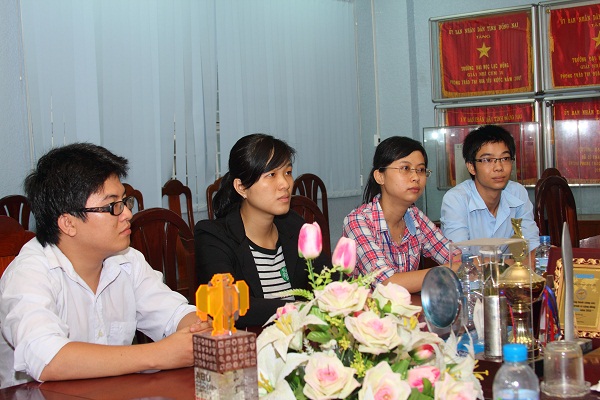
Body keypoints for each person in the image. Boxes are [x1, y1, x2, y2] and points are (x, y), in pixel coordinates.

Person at [0, 143, 210, 389]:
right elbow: (48, 359)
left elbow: (174, 314)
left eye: (125, 201)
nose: (127, 214)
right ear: (68, 223)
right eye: (113, 206)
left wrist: (197, 329)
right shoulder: (28, 274)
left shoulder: (127, 260)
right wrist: (160, 354)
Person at [195, 134, 325, 328]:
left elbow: (329, 278)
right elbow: (231, 305)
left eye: (288, 172)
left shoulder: (294, 225)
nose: (285, 184)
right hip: (248, 342)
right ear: (241, 187)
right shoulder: (213, 236)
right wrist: (303, 309)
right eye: (271, 175)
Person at [343, 136, 457, 293]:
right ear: (380, 176)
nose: (416, 177)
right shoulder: (357, 221)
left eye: (421, 170)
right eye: (405, 168)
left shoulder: (415, 217)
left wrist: (462, 263)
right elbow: (387, 284)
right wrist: (449, 271)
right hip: (369, 308)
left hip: (406, 307)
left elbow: (454, 255)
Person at [440, 125, 540, 259]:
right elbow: (459, 259)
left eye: (505, 158)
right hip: (472, 273)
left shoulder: (517, 193)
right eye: (488, 160)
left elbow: (532, 246)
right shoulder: (456, 199)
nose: (499, 167)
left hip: (507, 272)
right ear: (471, 167)